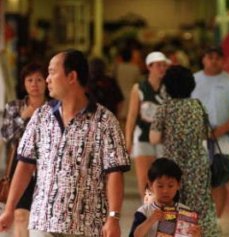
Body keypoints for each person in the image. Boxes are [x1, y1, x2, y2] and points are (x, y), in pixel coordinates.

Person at [0, 49, 131, 237]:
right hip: (43, 221)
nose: (47, 79)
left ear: (72, 76)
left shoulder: (104, 121)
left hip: (85, 225)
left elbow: (114, 173)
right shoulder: (41, 116)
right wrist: (9, 209)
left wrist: (113, 218)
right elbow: (25, 165)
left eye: (52, 72)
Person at [150, 65, 219, 236]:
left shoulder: (165, 107)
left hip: (172, 167)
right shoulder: (197, 106)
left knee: (171, 207)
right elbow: (206, 133)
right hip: (198, 165)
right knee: (199, 207)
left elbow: (154, 138)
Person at [191, 46, 229, 220]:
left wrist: (221, 130)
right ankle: (197, 221)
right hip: (196, 138)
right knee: (197, 182)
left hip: (222, 139)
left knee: (219, 180)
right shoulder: (193, 80)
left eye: (217, 58)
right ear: (203, 59)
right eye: (210, 57)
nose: (213, 61)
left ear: (223, 61)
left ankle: (216, 221)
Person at [1, 62, 48, 237]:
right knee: (20, 215)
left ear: (46, 82)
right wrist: (23, 118)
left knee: (41, 220)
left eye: (39, 80)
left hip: (46, 168)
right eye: (30, 80)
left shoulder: (55, 107)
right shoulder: (13, 107)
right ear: (24, 84)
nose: (34, 84)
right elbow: (7, 136)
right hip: (20, 166)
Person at [125, 51, 169, 200]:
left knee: (164, 177)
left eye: (164, 65)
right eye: (158, 65)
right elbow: (132, 116)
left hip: (164, 137)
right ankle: (148, 209)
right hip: (143, 135)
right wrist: (128, 139)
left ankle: (163, 208)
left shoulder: (169, 88)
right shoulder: (139, 88)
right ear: (149, 67)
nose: (162, 68)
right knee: (144, 177)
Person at [129, 158, 201, 237]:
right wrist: (151, 220)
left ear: (178, 185)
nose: (165, 190)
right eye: (160, 186)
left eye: (170, 186)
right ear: (150, 185)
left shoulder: (186, 212)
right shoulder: (144, 211)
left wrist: (196, 235)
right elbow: (135, 235)